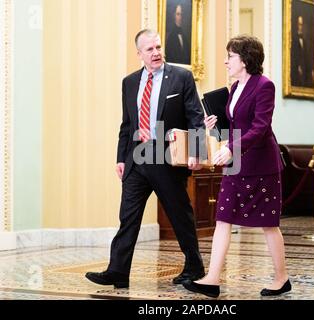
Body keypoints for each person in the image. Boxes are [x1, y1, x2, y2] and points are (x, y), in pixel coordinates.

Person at [85, 29, 205, 289]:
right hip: (136, 159)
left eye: (159, 47)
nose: (156, 53)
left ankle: (194, 267)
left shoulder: (181, 77)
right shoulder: (129, 82)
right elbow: (126, 124)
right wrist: (120, 157)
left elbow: (195, 116)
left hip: (166, 158)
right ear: (139, 53)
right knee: (128, 216)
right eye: (150, 49)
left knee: (179, 215)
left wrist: (197, 151)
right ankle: (117, 271)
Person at [183, 35, 291, 298]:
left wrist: (231, 148)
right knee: (223, 218)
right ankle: (212, 278)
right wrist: (216, 127)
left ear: (245, 59)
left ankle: (282, 278)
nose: (225, 61)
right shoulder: (233, 88)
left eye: (230, 56)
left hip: (261, 166)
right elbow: (234, 126)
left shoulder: (265, 86)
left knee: (269, 224)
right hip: (237, 164)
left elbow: (260, 127)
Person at [291, 16, 314, 88]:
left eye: (301, 24)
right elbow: (294, 55)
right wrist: (298, 66)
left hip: (305, 67)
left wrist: (311, 69)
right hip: (297, 67)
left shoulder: (305, 39)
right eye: (299, 24)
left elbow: (306, 55)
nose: (300, 26)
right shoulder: (293, 38)